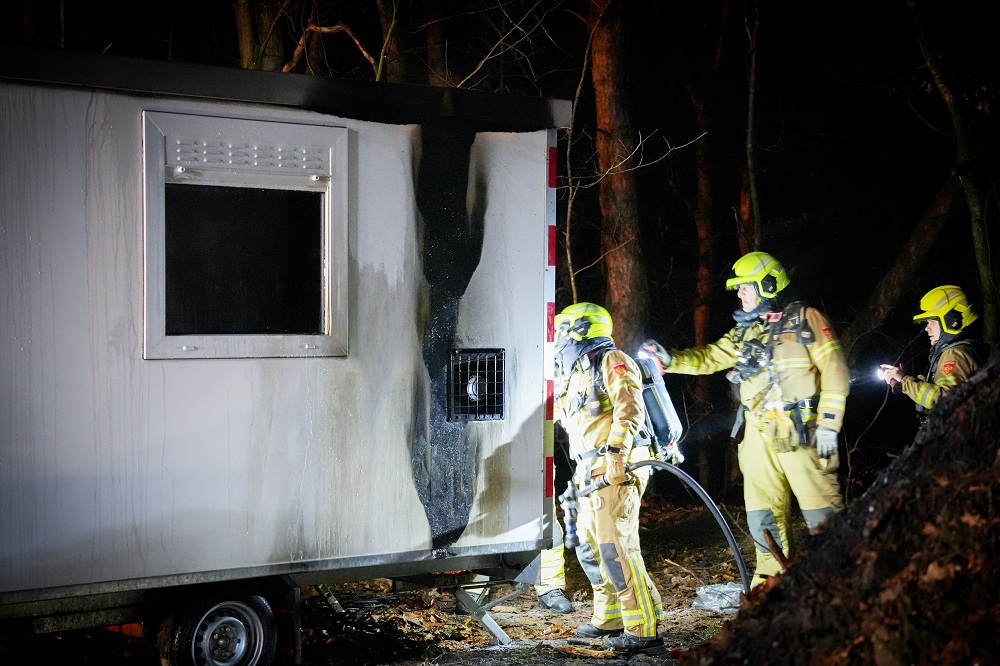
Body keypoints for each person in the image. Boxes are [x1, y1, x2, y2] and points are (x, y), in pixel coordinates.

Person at [642, 251, 849, 588]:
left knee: (821, 511)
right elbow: (710, 357)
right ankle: (770, 585)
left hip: (801, 432)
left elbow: (837, 371)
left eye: (745, 287)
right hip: (757, 434)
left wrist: (828, 423)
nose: (739, 294)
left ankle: (840, 581)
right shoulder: (743, 333)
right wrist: (672, 359)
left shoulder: (805, 319)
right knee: (762, 512)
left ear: (767, 286)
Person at [552, 302, 663, 652]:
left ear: (581, 330)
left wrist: (617, 455)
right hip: (589, 469)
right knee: (589, 544)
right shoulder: (576, 374)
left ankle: (644, 629)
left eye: (561, 333)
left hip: (617, 463)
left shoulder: (612, 360)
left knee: (616, 546)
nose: (556, 341)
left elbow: (629, 407)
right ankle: (610, 616)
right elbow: (557, 413)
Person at [879, 285, 982, 430]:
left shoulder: (955, 354)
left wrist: (905, 381)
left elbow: (946, 399)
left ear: (951, 320)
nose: (926, 328)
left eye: (932, 321)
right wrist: (907, 380)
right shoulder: (960, 350)